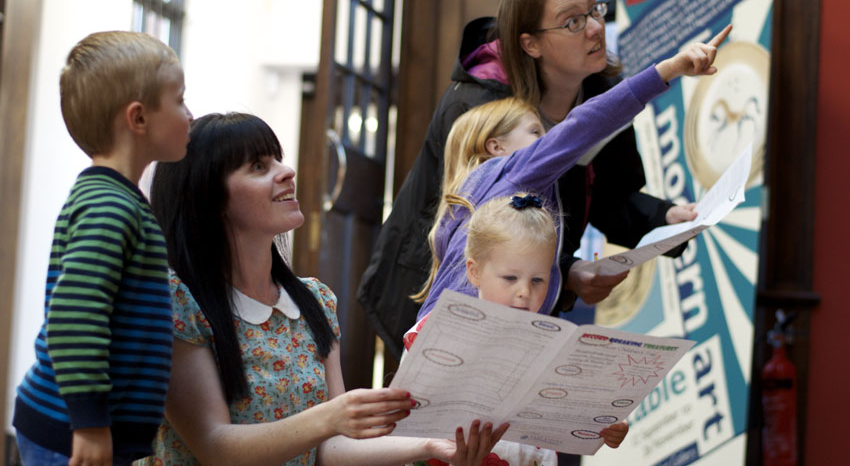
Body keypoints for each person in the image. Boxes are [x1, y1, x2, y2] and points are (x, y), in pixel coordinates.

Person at [357, 0, 698, 359]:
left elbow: (607, 195)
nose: (594, 28)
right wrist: (567, 271)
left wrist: (664, 218)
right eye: (572, 22)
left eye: (595, 11)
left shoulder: (597, 90)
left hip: (522, 295)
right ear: (531, 43)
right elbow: (496, 227)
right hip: (444, 295)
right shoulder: (486, 113)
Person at [141, 112, 508, 466]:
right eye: (258, 166)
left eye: (277, 160)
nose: (287, 172)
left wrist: (430, 446)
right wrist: (331, 418)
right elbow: (214, 446)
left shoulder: (314, 299)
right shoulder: (176, 301)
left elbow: (330, 450)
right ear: (210, 198)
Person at [414, 25, 729, 320]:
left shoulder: (467, 202)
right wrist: (668, 70)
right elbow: (586, 123)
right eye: (537, 132)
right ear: (496, 147)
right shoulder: (517, 172)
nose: (549, 139)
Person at [12, 30, 193, 466]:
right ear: (138, 118)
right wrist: (90, 425)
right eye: (180, 99)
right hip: (72, 434)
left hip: (83, 430)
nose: (190, 114)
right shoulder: (110, 207)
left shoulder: (114, 198)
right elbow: (74, 313)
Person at [403, 194, 630, 466]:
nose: (524, 292)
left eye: (538, 280)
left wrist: (604, 425)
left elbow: (567, 412)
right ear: (474, 272)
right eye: (510, 278)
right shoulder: (434, 334)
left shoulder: (556, 344)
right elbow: (405, 427)